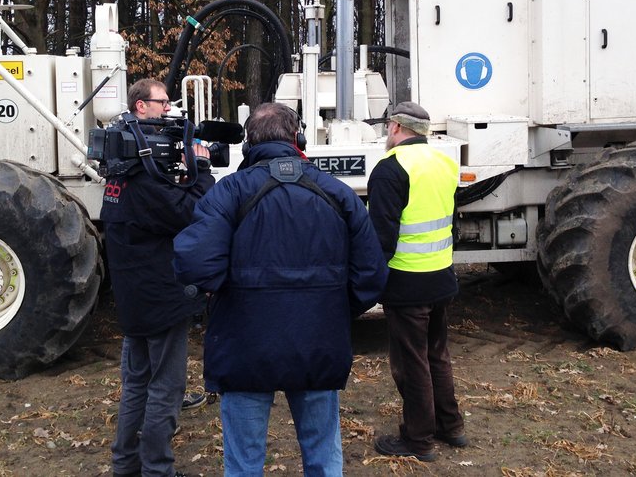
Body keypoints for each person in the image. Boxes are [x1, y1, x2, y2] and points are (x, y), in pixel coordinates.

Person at [174, 102, 388, 476]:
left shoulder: (229, 193)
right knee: (323, 457)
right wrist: (333, 309)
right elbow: (371, 274)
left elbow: (194, 263)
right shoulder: (336, 192)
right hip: (318, 345)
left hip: (244, 347)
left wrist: (221, 294)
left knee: (244, 464)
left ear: (248, 144)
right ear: (297, 138)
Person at [102, 78, 214, 477]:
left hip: (135, 295)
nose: (168, 109)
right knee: (166, 387)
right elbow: (191, 212)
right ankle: (157, 470)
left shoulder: (122, 167)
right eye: (161, 103)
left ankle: (126, 465)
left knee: (136, 383)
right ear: (139, 107)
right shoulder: (143, 174)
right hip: (159, 297)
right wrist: (201, 170)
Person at [368, 101, 468, 462]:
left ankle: (418, 439)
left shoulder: (389, 169)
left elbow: (382, 238)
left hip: (407, 283)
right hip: (441, 277)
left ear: (395, 128)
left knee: (412, 363)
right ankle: (451, 426)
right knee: (436, 355)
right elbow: (451, 224)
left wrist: (367, 284)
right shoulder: (444, 163)